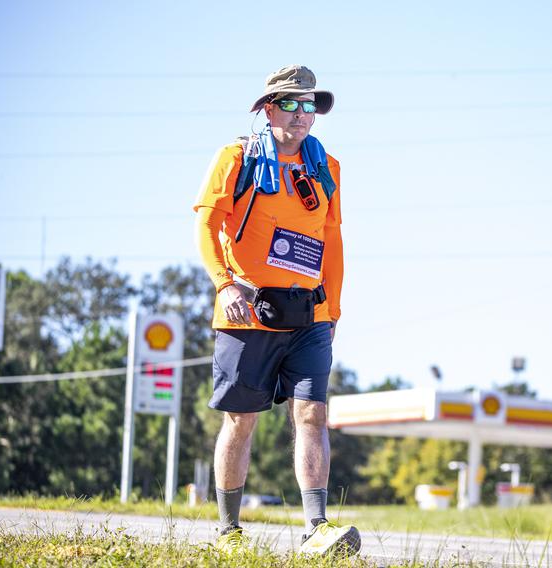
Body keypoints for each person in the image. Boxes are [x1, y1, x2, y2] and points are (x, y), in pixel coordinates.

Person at [193, 64, 359, 556]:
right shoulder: (236, 158)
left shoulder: (326, 167)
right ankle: (228, 533)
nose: (302, 115)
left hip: (309, 313)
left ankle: (316, 528)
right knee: (241, 420)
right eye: (290, 104)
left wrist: (333, 311)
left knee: (313, 414)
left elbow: (332, 241)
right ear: (268, 109)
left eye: (310, 106)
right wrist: (225, 285)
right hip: (248, 310)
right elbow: (206, 228)